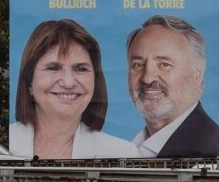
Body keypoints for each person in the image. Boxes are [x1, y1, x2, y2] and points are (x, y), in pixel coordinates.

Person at [9, 19, 138, 159]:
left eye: (81, 69)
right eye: (53, 68)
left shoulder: (123, 154)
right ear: (29, 83)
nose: (68, 82)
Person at [127, 15, 219, 158]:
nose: (147, 78)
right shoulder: (128, 148)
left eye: (164, 64)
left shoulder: (210, 153)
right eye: (138, 65)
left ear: (197, 75)